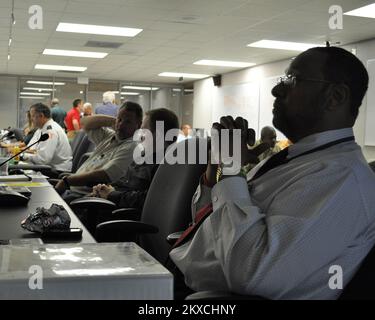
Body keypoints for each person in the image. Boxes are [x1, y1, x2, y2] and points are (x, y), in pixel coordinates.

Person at [170, 46, 375, 299]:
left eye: (293, 80)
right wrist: (218, 169)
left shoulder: (342, 179)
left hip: (199, 295)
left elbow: (254, 274)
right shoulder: (294, 159)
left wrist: (232, 170)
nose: (276, 89)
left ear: (335, 97)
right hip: (179, 275)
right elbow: (211, 224)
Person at [91, 108, 180, 213]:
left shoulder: (167, 165)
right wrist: (104, 189)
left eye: (144, 130)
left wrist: (112, 194)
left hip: (123, 217)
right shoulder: (144, 156)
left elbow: (148, 199)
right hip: (113, 206)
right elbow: (124, 183)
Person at [55, 101, 143, 203]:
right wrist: (113, 120)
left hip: (85, 197)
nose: (121, 125)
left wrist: (67, 181)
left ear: (138, 125)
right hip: (71, 188)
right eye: (120, 120)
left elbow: (104, 174)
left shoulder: (133, 146)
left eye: (128, 122)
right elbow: (84, 123)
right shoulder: (109, 136)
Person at [22, 103, 72, 171]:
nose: (31, 119)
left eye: (33, 116)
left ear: (41, 116)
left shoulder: (51, 131)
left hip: (57, 170)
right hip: (48, 167)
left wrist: (23, 156)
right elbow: (31, 148)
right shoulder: (41, 129)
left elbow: (43, 159)